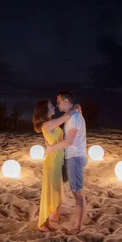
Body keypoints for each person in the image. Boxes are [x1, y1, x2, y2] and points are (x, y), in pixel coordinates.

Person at [32, 99, 81, 232]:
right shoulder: (47, 124)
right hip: (53, 160)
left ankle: (47, 221)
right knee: (51, 192)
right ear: (45, 110)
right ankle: (43, 223)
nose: (53, 106)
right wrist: (74, 107)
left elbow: (66, 121)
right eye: (50, 106)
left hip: (58, 159)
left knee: (55, 190)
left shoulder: (50, 123)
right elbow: (66, 117)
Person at [45, 90, 87, 234]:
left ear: (66, 101)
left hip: (74, 158)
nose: (57, 105)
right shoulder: (71, 116)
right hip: (69, 157)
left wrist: (51, 148)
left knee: (77, 193)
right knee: (67, 189)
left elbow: (70, 141)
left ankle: (77, 227)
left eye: (58, 102)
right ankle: (55, 215)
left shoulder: (74, 117)